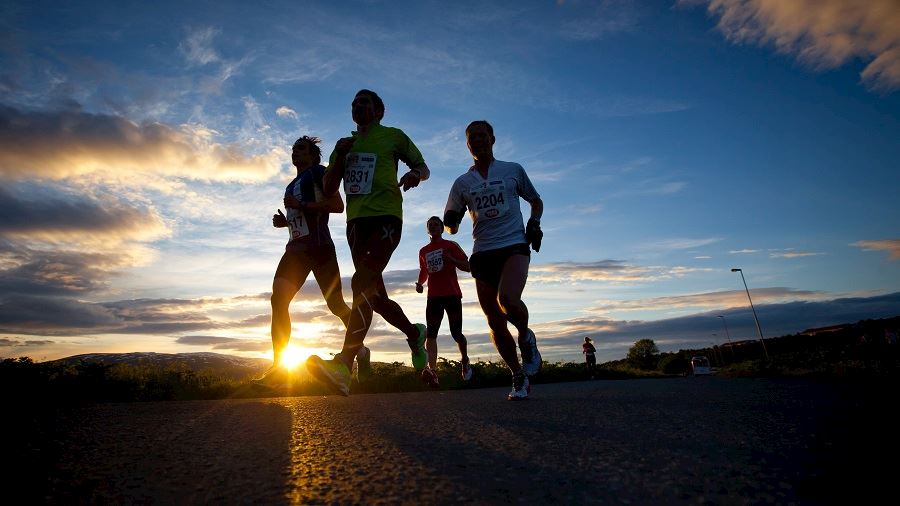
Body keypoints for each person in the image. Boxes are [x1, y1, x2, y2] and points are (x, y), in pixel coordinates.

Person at [306, 89, 430, 395]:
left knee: (361, 283)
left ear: (379, 111)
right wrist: (339, 158)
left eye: (364, 102)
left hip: (387, 219)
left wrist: (414, 175)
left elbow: (423, 168)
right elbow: (329, 186)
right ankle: (415, 334)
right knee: (373, 297)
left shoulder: (393, 136)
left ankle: (343, 365)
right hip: (355, 224)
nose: (357, 106)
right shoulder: (344, 145)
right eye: (353, 103)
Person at [443, 120, 544, 401]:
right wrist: (451, 221)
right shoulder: (462, 183)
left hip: (514, 245)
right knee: (494, 321)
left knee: (507, 301)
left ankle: (526, 337)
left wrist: (534, 224)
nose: (477, 140)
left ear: (492, 139)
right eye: (471, 137)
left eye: (482, 135)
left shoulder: (512, 170)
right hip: (483, 251)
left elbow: (536, 201)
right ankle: (517, 374)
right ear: (467, 144)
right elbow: (452, 222)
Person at [258, 135, 352, 383]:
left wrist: (300, 205)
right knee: (278, 300)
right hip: (295, 250)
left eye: (300, 149)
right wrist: (285, 222)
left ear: (312, 155)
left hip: (320, 248)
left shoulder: (319, 172)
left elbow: (337, 205)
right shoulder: (290, 185)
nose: (294, 152)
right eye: (293, 149)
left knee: (336, 306)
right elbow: (299, 217)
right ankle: (278, 368)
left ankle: (358, 349)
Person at [415, 216, 473, 387]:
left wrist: (452, 260)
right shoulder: (423, 251)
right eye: (430, 225)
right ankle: (433, 371)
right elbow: (424, 270)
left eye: (436, 225)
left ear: (441, 228)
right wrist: (420, 283)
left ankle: (464, 360)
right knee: (431, 334)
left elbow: (468, 266)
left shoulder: (450, 245)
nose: (433, 227)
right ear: (428, 230)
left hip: (452, 295)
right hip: (433, 297)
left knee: (457, 334)